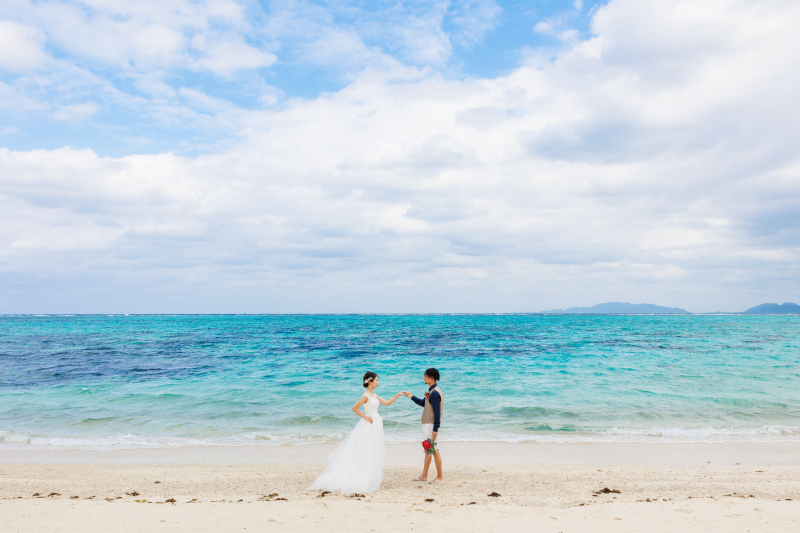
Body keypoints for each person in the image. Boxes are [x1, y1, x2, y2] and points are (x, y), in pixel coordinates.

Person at [310, 371, 405, 494]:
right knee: (366, 450)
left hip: (375, 424)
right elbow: (354, 407)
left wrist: (398, 394)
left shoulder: (374, 395)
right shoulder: (365, 396)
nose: (378, 382)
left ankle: (369, 475)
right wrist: (366, 417)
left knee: (373, 450)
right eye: (376, 380)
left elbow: (387, 403)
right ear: (370, 382)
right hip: (368, 423)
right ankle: (363, 475)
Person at [404, 367, 444, 484]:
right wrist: (411, 396)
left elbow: (437, 413)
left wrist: (435, 429)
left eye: (425, 376)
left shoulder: (435, 393)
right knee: (428, 449)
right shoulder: (431, 392)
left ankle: (440, 477)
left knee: (434, 449)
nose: (424, 378)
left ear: (431, 378)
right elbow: (424, 403)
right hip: (428, 424)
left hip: (431, 425)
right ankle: (424, 475)